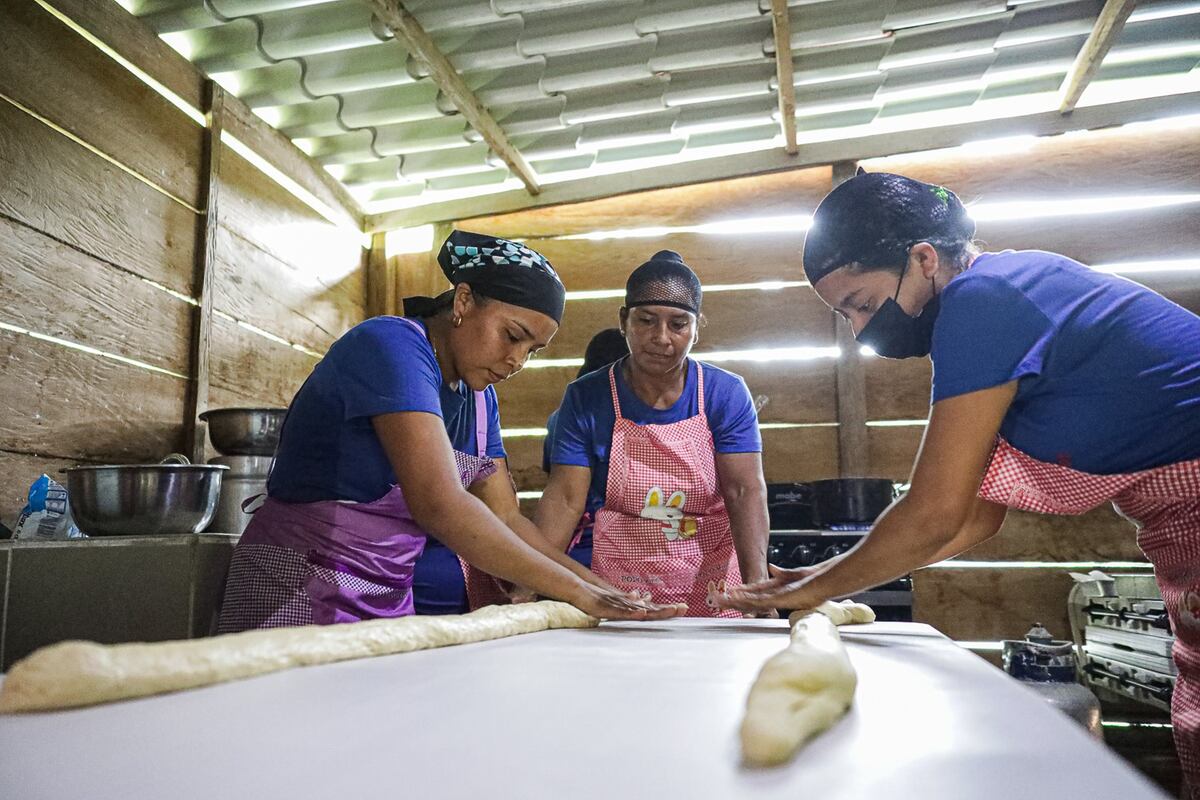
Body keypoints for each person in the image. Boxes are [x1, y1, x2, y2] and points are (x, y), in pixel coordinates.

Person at [715, 171, 1200, 792]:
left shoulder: (985, 299)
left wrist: (819, 589)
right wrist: (816, 580)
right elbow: (976, 513)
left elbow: (937, 511)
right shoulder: (999, 299)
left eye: (861, 304)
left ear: (922, 259)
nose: (862, 331)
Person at [217, 230, 681, 632]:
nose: (517, 361)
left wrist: (605, 591)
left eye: (533, 351)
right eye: (512, 336)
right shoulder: (390, 347)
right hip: (298, 587)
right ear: (463, 302)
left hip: (389, 603)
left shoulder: (481, 399)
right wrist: (575, 593)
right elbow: (440, 505)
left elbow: (507, 518)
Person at [535, 250, 773, 617]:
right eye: (646, 321)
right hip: (618, 589)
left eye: (678, 325)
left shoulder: (724, 393)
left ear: (697, 328)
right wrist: (530, 583)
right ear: (623, 320)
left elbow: (743, 490)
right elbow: (566, 499)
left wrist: (756, 591)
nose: (661, 338)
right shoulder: (587, 397)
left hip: (713, 584)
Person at [543, 328, 630, 569]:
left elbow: (555, 488)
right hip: (600, 549)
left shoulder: (560, 416)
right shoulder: (574, 414)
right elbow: (565, 499)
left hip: (578, 550)